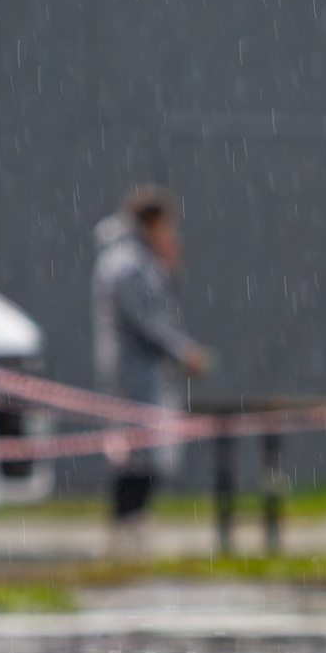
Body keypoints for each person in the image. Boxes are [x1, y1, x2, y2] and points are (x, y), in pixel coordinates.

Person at [90, 186, 208, 557]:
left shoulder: (133, 260)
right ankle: (127, 523)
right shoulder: (129, 264)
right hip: (134, 371)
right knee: (138, 449)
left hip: (135, 370)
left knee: (140, 447)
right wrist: (181, 351)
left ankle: (131, 521)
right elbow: (147, 320)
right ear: (152, 222)